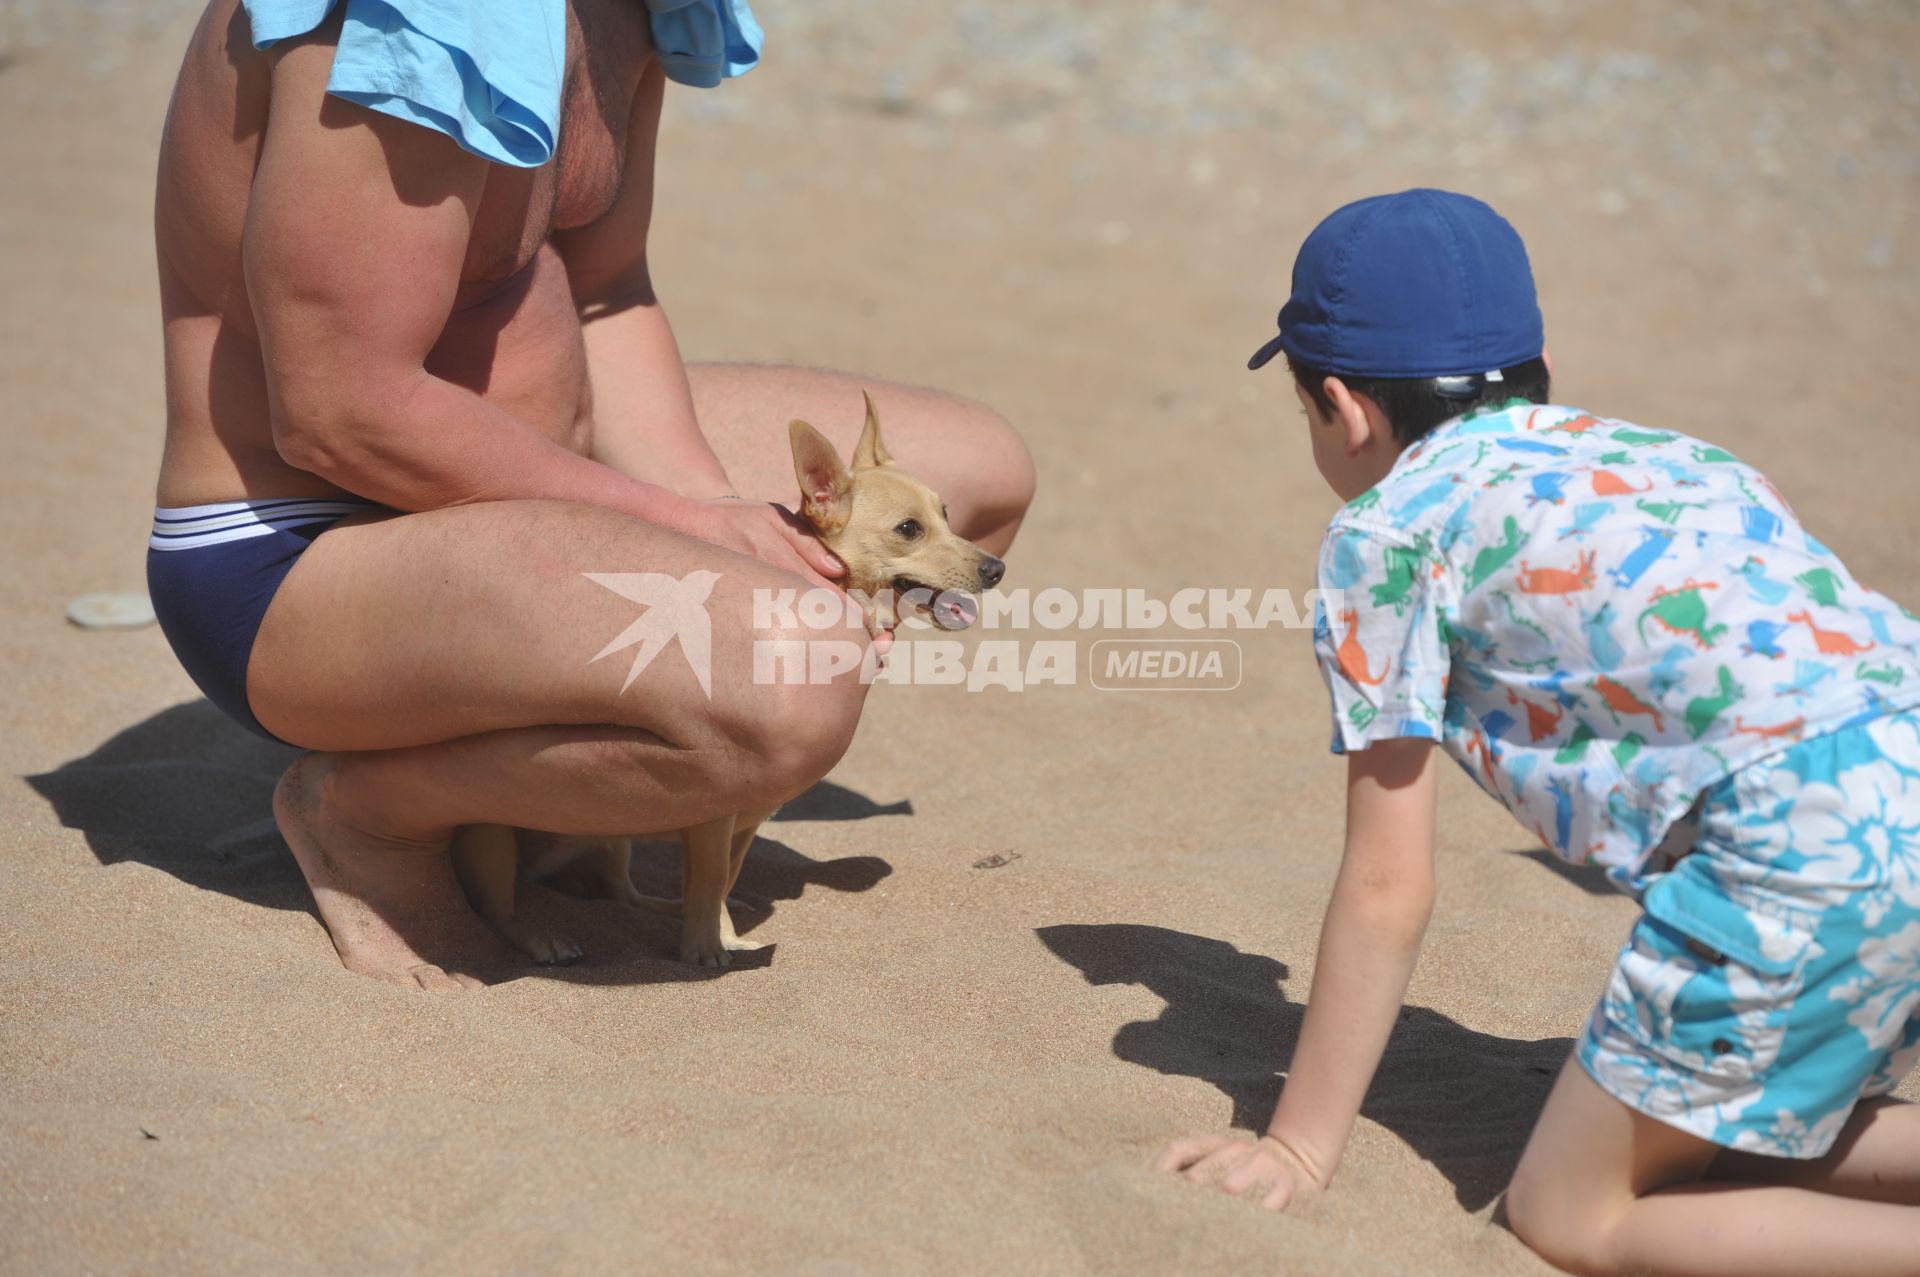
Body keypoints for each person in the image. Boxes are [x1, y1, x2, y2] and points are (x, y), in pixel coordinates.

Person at [146, 0, 1034, 989]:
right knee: (794, 676)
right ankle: (371, 808)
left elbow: (606, 292)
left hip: (528, 481)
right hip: (301, 556)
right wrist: (698, 533)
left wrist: (741, 532)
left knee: (973, 475)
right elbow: (339, 412)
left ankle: (538, 791)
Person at [1156, 189, 1920, 1274]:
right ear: (1539, 359)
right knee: (1748, 1136)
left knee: (1570, 1211)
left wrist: (1297, 1141)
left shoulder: (1384, 533)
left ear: (1344, 409)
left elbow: (1388, 883)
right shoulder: (1682, 457)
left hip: (1796, 839)